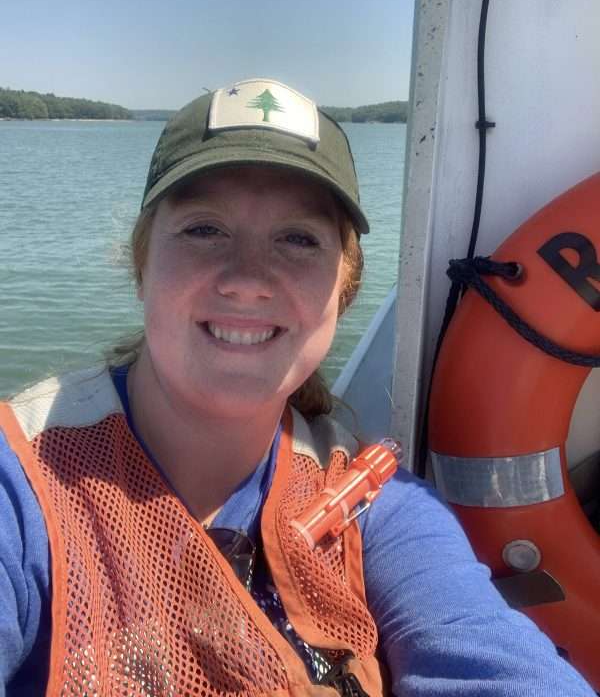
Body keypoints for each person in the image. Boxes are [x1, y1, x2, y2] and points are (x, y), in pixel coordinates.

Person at [0, 78, 594, 697]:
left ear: (344, 290)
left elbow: (488, 659)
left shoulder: (378, 511)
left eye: (298, 239)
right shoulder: (23, 481)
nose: (248, 279)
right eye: (205, 229)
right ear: (141, 264)